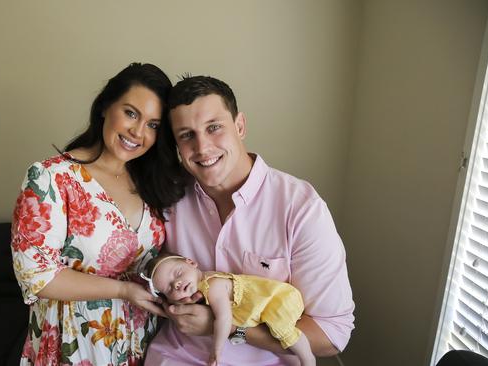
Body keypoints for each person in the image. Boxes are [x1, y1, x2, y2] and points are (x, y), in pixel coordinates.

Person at [145, 75, 355, 365]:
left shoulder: (301, 209)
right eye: (187, 135)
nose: (203, 147)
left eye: (214, 127)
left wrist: (231, 329)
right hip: (175, 357)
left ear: (240, 126)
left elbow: (332, 334)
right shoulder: (168, 199)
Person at [10, 62, 185, 366]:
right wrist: (123, 290)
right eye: (131, 113)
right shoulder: (51, 178)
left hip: (145, 342)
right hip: (75, 345)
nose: (138, 132)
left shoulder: (151, 182)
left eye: (153, 125)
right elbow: (36, 276)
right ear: (105, 106)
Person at [143, 253, 315, 366]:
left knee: (281, 330)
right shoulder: (203, 284)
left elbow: (223, 319)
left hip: (278, 300)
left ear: (192, 262)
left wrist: (215, 351)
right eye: (169, 289)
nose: (177, 284)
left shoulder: (213, 285)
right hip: (265, 307)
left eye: (178, 273)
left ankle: (308, 359)